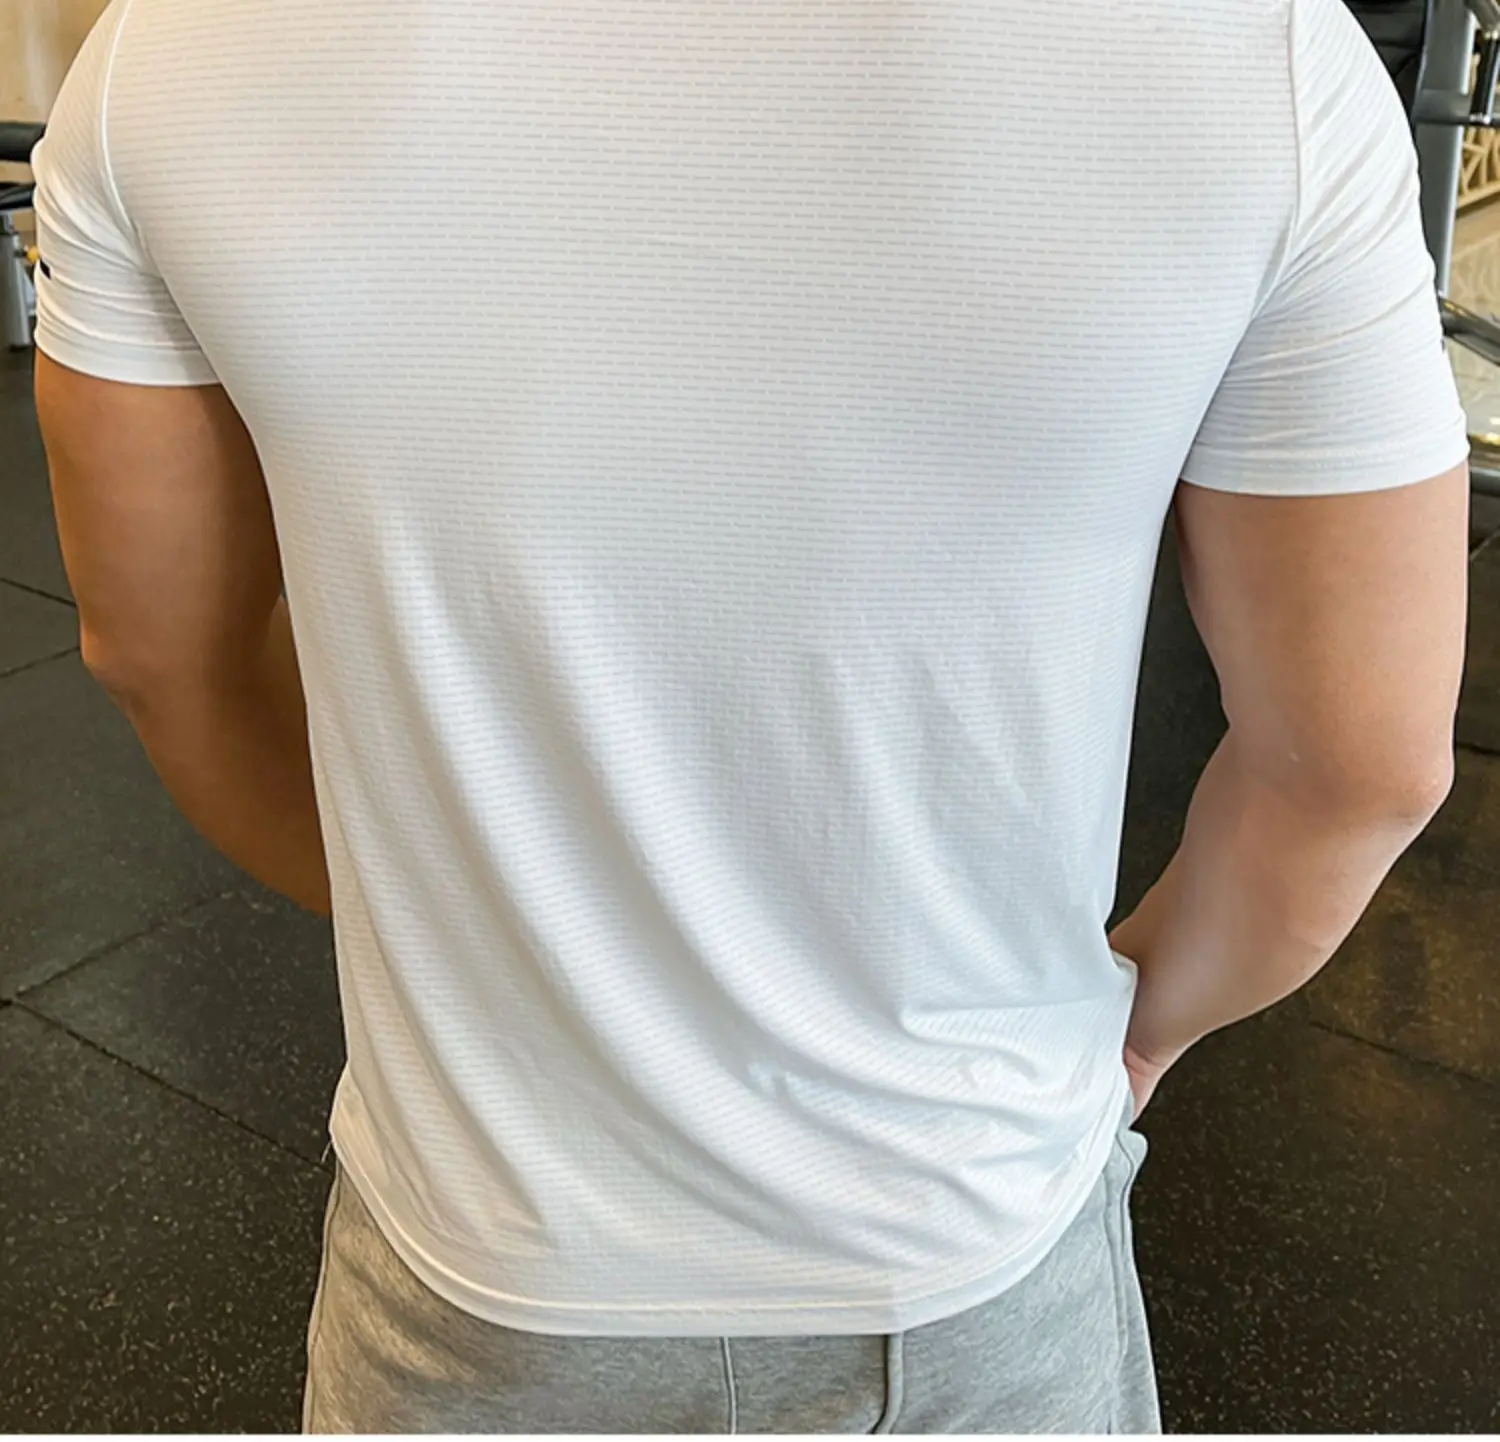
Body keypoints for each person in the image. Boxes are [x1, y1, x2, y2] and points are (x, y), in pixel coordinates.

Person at [29, 0, 1470, 1431]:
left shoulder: (169, 53)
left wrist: (474, 943)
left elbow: (162, 656)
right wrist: (1131, 1035)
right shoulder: (1260, 55)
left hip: (474, 1273)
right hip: (969, 1248)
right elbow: (1359, 766)